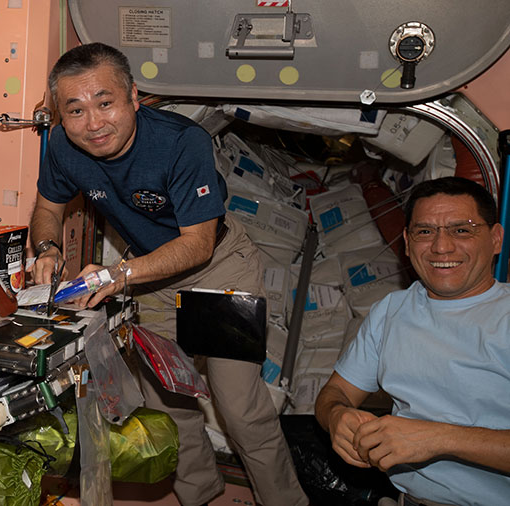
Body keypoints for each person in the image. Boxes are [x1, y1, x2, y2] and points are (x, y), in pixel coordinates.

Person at [30, 42, 307, 506]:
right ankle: (200, 494)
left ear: (133, 96)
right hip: (150, 278)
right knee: (168, 402)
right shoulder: (62, 145)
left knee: (240, 409)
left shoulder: (181, 143)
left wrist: (115, 276)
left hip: (220, 267)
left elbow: (197, 244)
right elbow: (46, 207)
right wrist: (47, 247)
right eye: (75, 110)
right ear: (60, 115)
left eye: (106, 102)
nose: (93, 124)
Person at [315, 176, 510, 506]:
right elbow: (335, 393)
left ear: (495, 239)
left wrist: (438, 438)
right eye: (424, 231)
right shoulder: (392, 311)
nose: (441, 246)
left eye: (461, 229)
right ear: (406, 242)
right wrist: (336, 416)